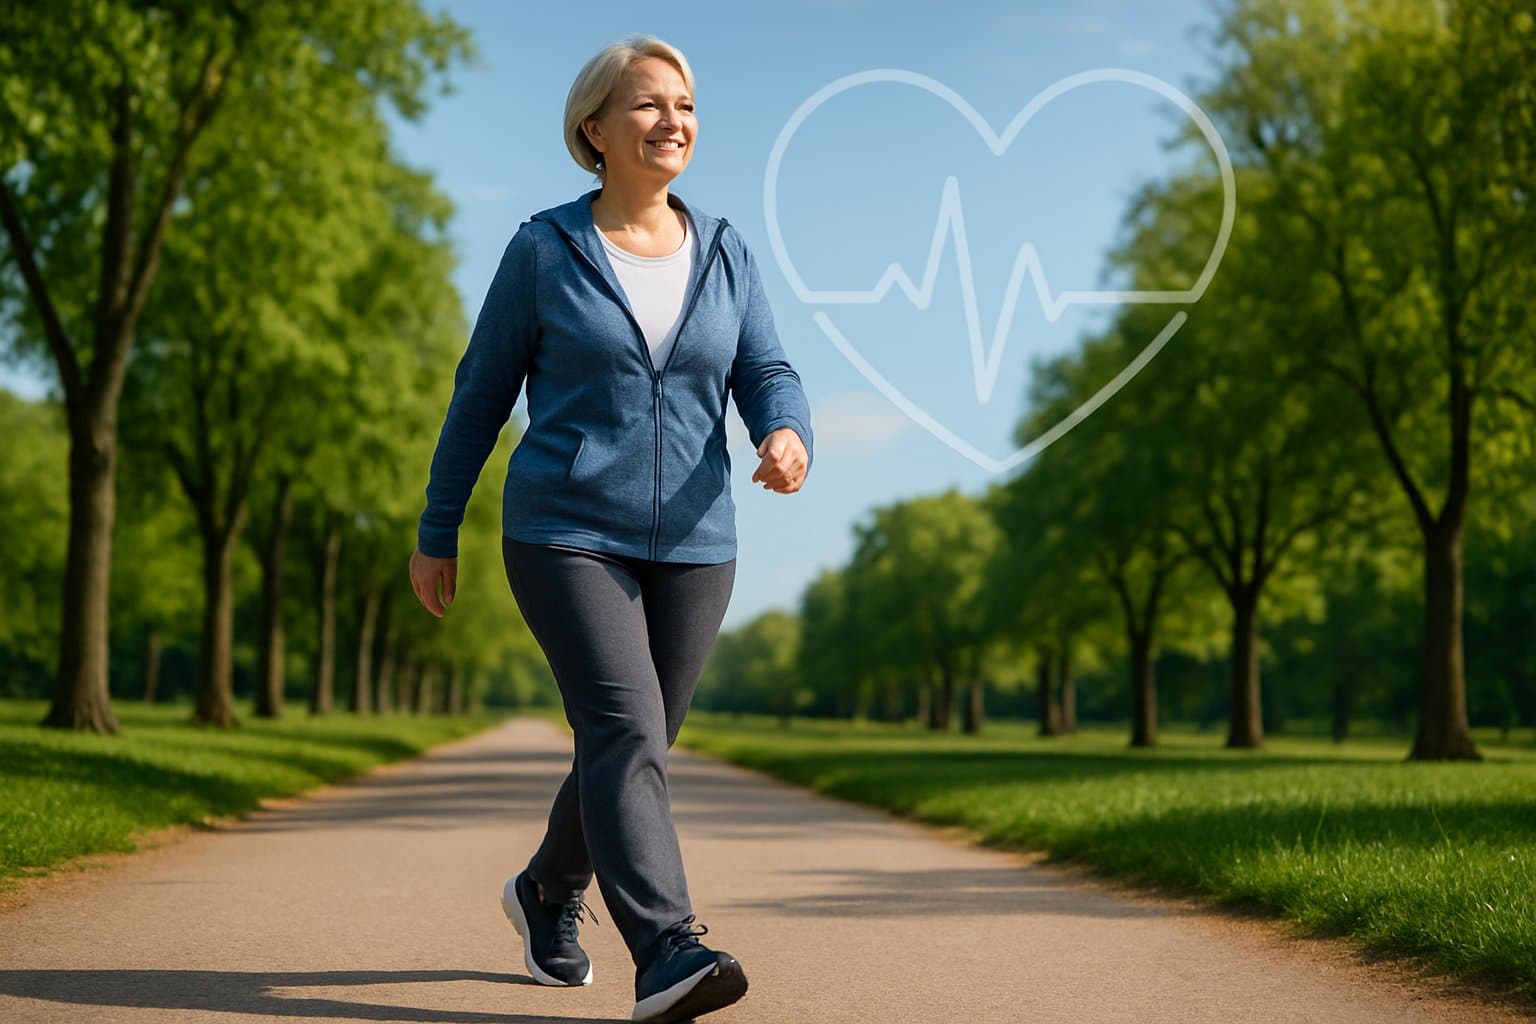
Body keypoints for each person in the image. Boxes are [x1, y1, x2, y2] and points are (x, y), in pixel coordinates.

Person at [406, 32, 814, 1024]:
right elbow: (480, 394)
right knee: (626, 731)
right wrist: (438, 524)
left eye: (683, 102)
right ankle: (668, 948)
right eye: (647, 104)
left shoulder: (724, 248)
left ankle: (547, 888)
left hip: (695, 539)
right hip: (565, 531)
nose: (673, 119)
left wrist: (786, 429)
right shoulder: (544, 250)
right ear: (594, 128)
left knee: (633, 743)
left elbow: (765, 367)